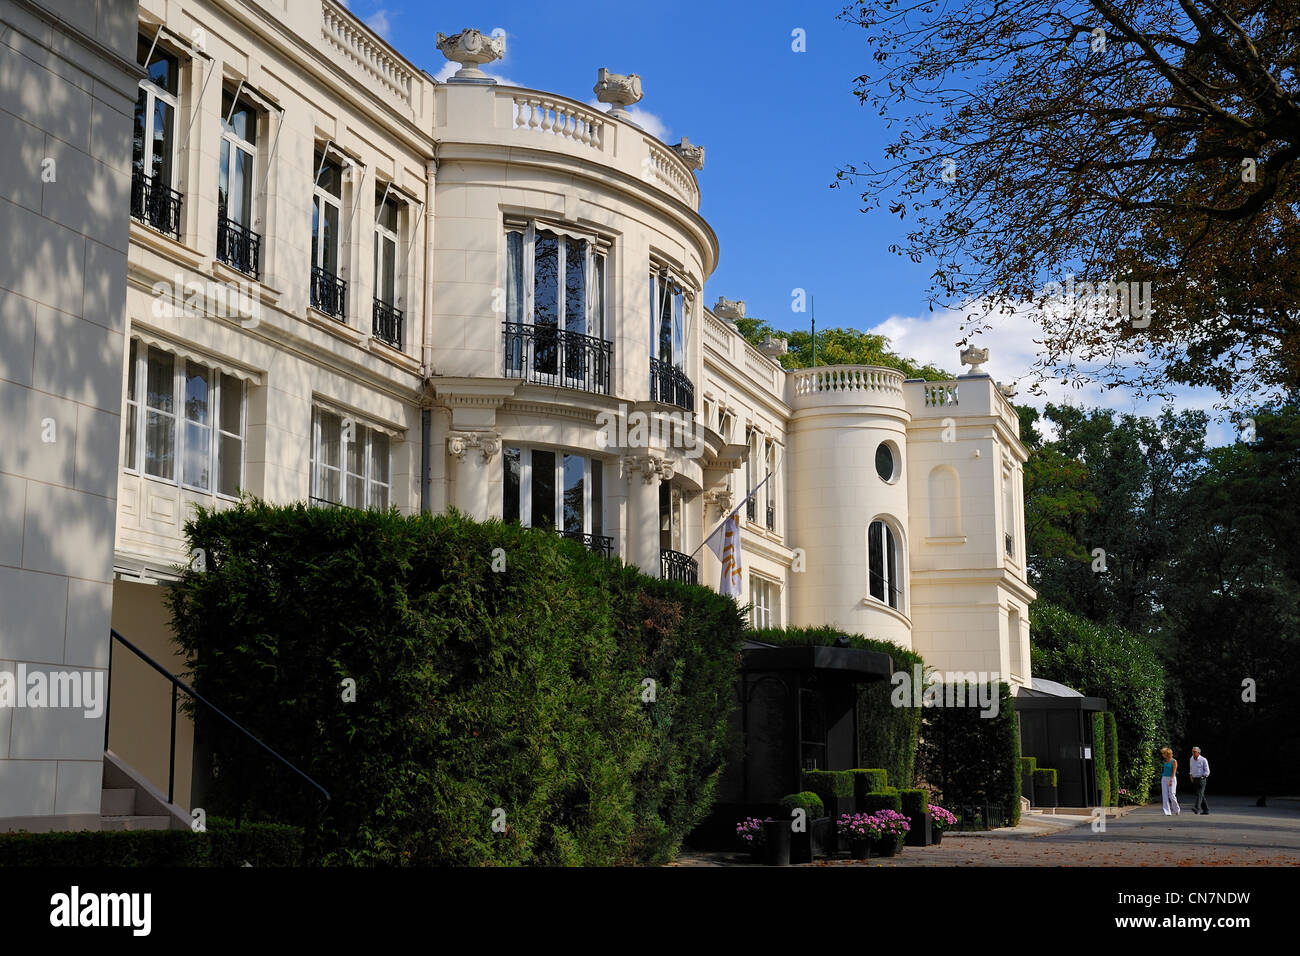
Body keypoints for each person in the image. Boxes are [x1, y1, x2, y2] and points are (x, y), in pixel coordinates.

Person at [1189, 747, 1210, 814]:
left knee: (1200, 794)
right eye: (1192, 751)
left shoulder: (1203, 760)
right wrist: (1191, 776)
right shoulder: (1191, 759)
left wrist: (1203, 777)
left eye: (1194, 751)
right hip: (1195, 779)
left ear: (1198, 752)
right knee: (1201, 794)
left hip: (1202, 779)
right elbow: (1191, 768)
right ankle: (1206, 810)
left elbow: (1207, 771)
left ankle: (1197, 808)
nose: (1193, 753)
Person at [1160, 747, 1180, 815]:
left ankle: (1176, 809)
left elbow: (1174, 771)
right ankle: (1167, 812)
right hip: (1164, 778)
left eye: (1163, 753)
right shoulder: (1165, 761)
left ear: (1167, 753)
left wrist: (1171, 780)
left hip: (1172, 778)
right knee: (1164, 795)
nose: (1162, 754)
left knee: (1171, 794)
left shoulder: (1174, 761)